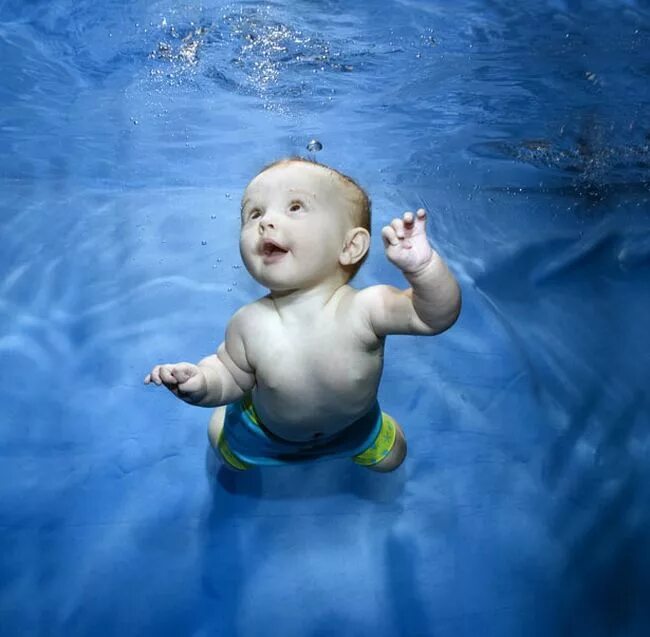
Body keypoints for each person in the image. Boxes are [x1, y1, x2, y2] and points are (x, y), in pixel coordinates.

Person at [144, 158, 461, 472]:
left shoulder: (367, 308)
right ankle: (224, 423)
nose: (266, 222)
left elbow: (431, 317)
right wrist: (201, 384)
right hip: (266, 436)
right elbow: (230, 376)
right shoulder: (248, 323)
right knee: (225, 448)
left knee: (394, 457)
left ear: (350, 246)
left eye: (295, 207)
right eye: (254, 213)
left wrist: (424, 269)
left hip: (353, 429)